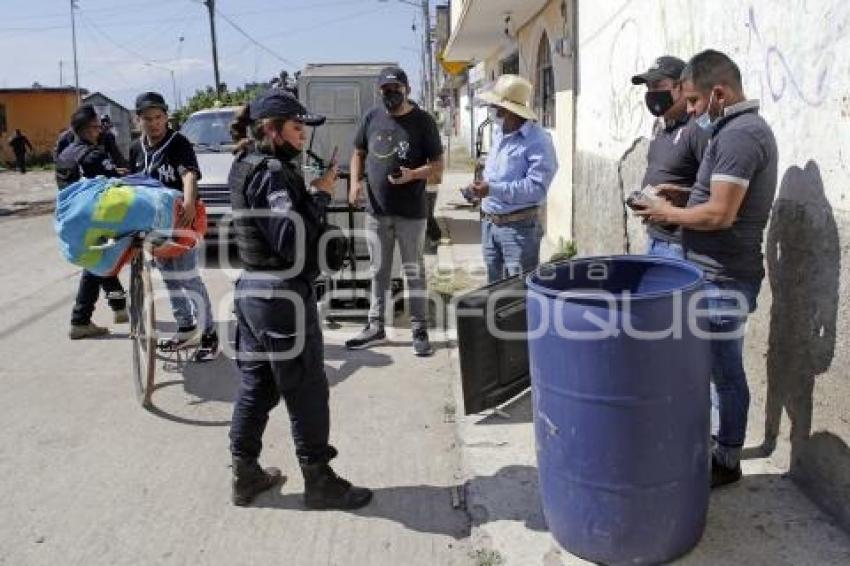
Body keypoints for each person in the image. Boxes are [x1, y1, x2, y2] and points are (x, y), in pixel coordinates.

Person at [635, 49, 778, 488]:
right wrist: (682, 195)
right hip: (710, 275)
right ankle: (712, 445)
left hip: (723, 280)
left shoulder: (740, 136)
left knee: (723, 372)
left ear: (719, 93)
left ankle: (727, 459)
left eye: (695, 101)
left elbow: (719, 214)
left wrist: (666, 213)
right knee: (705, 368)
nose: (691, 110)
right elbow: (714, 196)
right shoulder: (731, 130)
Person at [227, 89, 372, 509]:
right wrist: (322, 196)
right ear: (271, 129)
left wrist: (312, 193)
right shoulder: (272, 172)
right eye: (296, 127)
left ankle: (246, 474)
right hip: (280, 297)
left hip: (254, 291)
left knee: (258, 384)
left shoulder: (246, 163)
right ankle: (319, 481)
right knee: (306, 387)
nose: (304, 135)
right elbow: (293, 242)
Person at [345, 66, 444, 356]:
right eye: (386, 91)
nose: (391, 95)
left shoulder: (423, 121)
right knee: (378, 271)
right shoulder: (371, 117)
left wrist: (413, 175)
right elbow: (358, 153)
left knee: (414, 271)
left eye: (396, 89)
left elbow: (438, 168)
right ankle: (375, 326)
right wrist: (354, 184)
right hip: (376, 211)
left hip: (411, 214)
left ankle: (419, 329)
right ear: (380, 92)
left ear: (407, 89)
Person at [128, 92, 218, 361]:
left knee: (188, 278)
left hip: (181, 220)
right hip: (152, 224)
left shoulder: (178, 143)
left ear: (167, 117)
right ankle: (186, 327)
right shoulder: (136, 149)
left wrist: (189, 202)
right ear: (138, 120)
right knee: (168, 278)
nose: (154, 123)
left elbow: (189, 173)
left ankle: (209, 334)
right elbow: (133, 183)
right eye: (148, 119)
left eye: (159, 117)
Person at [467, 74, 558, 283]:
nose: (493, 111)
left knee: (517, 294)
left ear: (509, 111)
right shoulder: (500, 134)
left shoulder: (539, 141)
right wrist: (478, 190)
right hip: (490, 225)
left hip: (518, 231)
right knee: (495, 290)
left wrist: (492, 190)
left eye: (496, 106)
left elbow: (536, 188)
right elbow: (495, 175)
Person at [56, 104, 128, 339]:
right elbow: (115, 181)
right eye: (97, 127)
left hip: (70, 219)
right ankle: (80, 320)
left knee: (100, 262)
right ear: (87, 129)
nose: (100, 131)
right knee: (96, 265)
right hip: (94, 218)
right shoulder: (94, 153)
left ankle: (119, 308)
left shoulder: (64, 155)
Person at [631, 55, 710, 259]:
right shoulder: (660, 126)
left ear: (681, 87)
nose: (651, 94)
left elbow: (714, 190)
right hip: (654, 238)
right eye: (648, 87)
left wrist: (677, 201)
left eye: (658, 85)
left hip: (680, 246)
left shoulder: (699, 128)